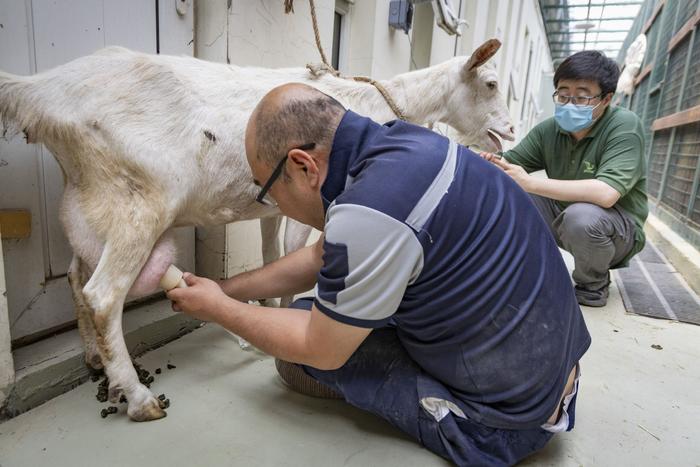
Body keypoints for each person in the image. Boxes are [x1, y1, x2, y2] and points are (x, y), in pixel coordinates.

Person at [167, 83, 591, 466]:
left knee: (296, 358)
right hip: (548, 367)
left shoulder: (370, 212)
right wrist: (226, 290)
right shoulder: (407, 145)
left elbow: (320, 347)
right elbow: (321, 256)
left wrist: (218, 311)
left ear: (302, 166)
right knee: (303, 312)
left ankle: (454, 415)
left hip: (504, 423)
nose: (272, 202)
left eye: (268, 189)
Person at [482, 50, 648, 307]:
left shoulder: (624, 126)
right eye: (563, 94)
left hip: (617, 231)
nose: (569, 103)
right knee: (506, 187)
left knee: (581, 217)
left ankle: (593, 284)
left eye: (582, 97)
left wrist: (530, 182)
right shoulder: (550, 130)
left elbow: (606, 193)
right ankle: (520, 270)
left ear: (606, 99)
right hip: (565, 218)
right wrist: (481, 160)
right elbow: (508, 164)